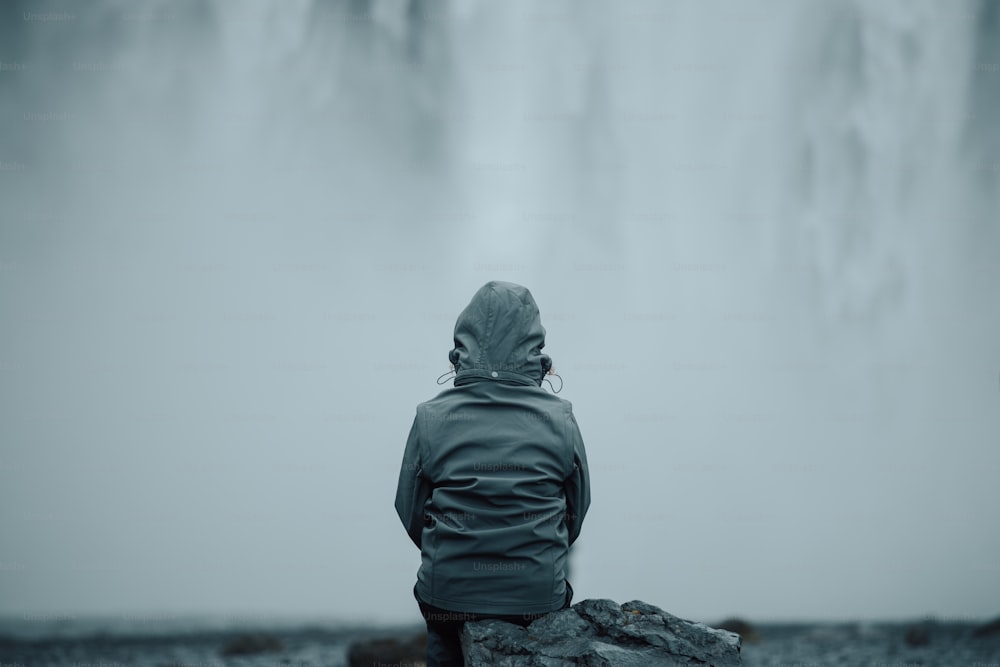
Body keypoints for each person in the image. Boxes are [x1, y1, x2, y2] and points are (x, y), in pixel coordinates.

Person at [395, 280, 591, 667]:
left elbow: (409, 508)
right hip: (535, 597)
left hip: (448, 594)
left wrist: (449, 548)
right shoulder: (561, 418)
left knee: (443, 640)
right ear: (537, 353)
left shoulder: (430, 416)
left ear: (459, 350)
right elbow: (577, 510)